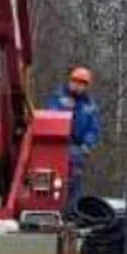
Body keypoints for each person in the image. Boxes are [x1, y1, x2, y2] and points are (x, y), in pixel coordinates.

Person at [44, 65, 101, 210]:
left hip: (77, 148)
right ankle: (49, 208)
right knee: (53, 180)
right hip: (57, 146)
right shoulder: (58, 99)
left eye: (82, 83)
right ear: (70, 81)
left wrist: (86, 145)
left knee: (74, 180)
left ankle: (71, 212)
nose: (78, 86)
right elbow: (52, 119)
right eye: (75, 81)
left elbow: (93, 129)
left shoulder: (90, 106)